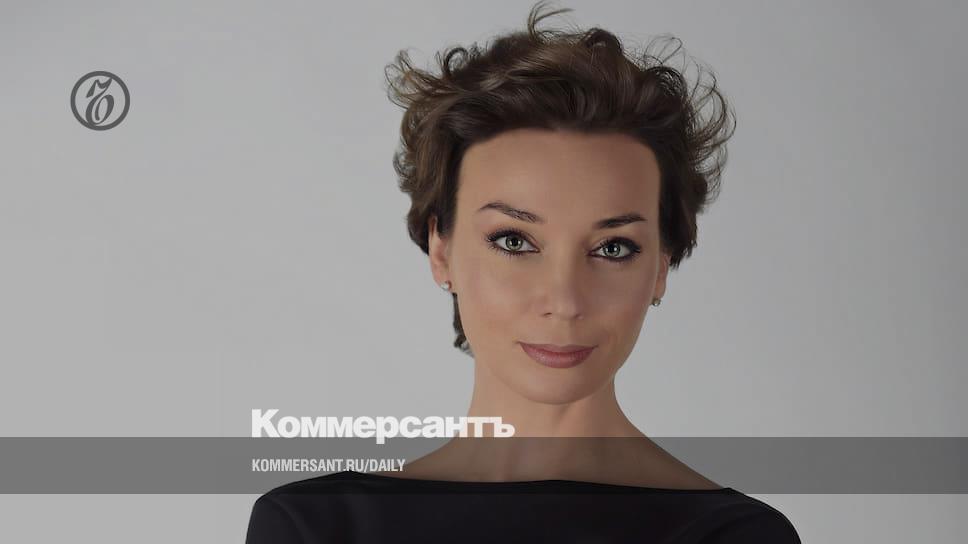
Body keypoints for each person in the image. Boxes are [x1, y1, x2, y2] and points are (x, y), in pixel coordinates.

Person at [246, 1, 801, 541]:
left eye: (612, 248)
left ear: (662, 266)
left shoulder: (735, 535)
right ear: (441, 249)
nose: (564, 300)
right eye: (514, 241)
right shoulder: (314, 526)